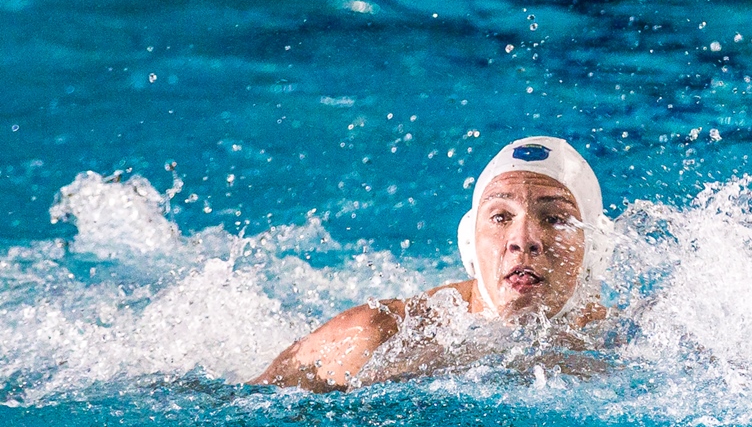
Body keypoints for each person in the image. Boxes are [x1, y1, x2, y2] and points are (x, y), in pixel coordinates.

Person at [251, 136, 609, 391]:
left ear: (595, 249)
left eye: (556, 219)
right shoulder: (379, 337)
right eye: (500, 217)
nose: (522, 239)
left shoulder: (616, 346)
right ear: (468, 242)